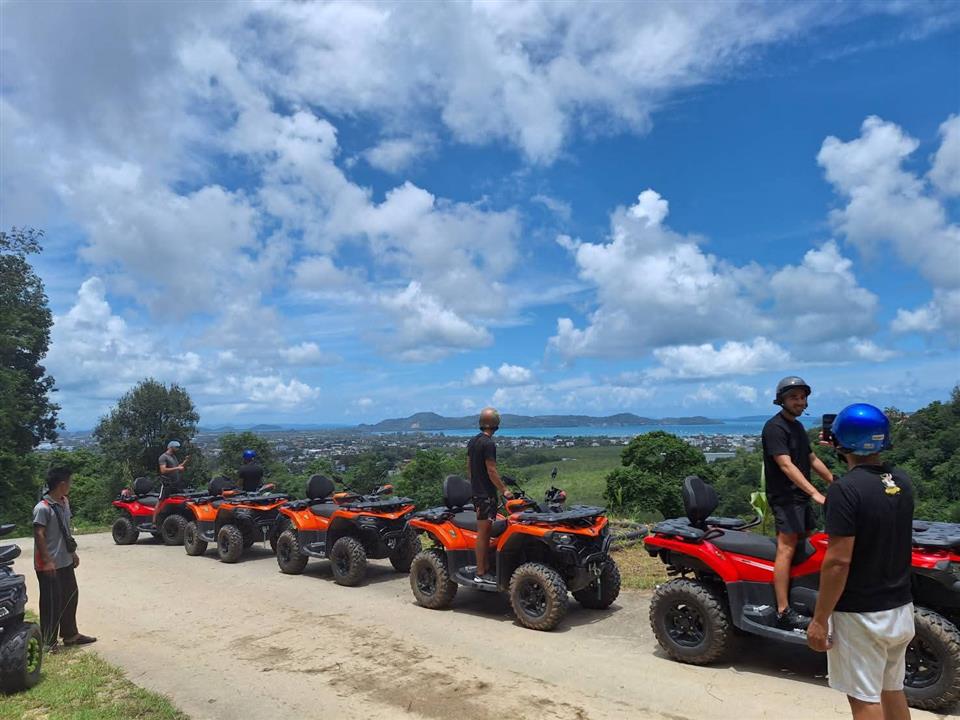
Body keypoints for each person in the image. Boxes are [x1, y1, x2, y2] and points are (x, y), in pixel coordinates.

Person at [807, 404, 914, 720]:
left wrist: (820, 619)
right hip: (899, 608)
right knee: (890, 689)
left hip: (862, 616)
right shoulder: (902, 482)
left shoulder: (845, 490)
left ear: (839, 443)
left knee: (864, 699)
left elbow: (838, 561)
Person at [762, 376, 835, 630]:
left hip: (800, 497)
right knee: (787, 547)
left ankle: (801, 593)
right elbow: (785, 464)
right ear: (781, 399)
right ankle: (783, 610)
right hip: (785, 498)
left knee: (807, 542)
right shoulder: (775, 428)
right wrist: (815, 493)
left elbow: (811, 458)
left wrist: (835, 482)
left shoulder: (797, 428)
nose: (800, 402)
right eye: (794, 397)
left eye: (803, 397)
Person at [33, 465, 96, 652]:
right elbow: (39, 535)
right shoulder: (42, 508)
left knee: (70, 596)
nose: (71, 485)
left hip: (65, 560)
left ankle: (70, 634)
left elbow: (65, 531)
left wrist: (72, 553)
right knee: (51, 602)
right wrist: (47, 560)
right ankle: (49, 641)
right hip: (48, 564)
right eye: (69, 482)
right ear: (62, 484)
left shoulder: (64, 502)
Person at [466, 407, 513, 585]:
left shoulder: (473, 442)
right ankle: (480, 572)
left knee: (485, 533)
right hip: (486, 495)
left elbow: (469, 468)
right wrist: (504, 490)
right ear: (496, 424)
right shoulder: (488, 444)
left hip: (478, 493)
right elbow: (492, 470)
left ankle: (486, 567)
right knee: (484, 533)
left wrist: (475, 487)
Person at [156, 440, 188, 523]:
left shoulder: (173, 457)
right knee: (160, 501)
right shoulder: (163, 457)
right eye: (176, 447)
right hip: (167, 484)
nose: (177, 449)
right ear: (171, 447)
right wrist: (177, 468)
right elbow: (163, 470)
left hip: (175, 484)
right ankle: (154, 521)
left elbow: (177, 468)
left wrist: (185, 462)